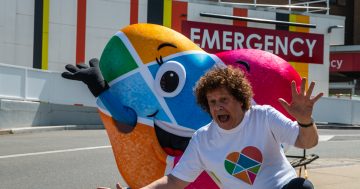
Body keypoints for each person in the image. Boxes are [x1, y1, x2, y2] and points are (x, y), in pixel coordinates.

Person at [112, 65, 323, 189]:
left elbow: (308, 142)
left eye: (224, 99)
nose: (218, 106)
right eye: (212, 102)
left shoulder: (263, 116)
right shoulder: (202, 139)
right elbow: (175, 180)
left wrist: (305, 120)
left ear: (240, 100)